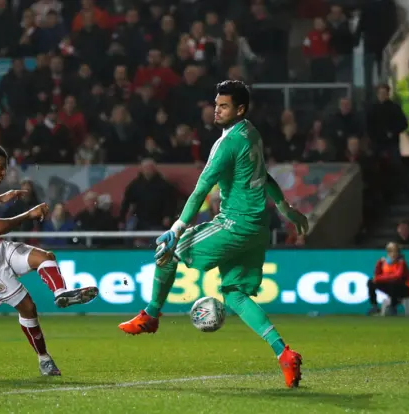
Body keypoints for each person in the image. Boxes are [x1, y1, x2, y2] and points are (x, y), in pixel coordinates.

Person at [118, 81, 309, 389]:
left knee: (167, 252)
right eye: (216, 103)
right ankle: (283, 353)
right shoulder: (252, 133)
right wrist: (285, 208)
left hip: (234, 224)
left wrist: (176, 228)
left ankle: (150, 315)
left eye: (223, 106)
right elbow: (264, 175)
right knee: (234, 293)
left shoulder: (227, 144)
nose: (216, 109)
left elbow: (200, 190)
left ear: (240, 109)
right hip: (257, 228)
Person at [0, 143, 99, 376]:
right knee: (28, 307)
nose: (3, 173)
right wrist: (28, 214)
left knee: (45, 257)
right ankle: (44, 359)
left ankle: (61, 294)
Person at [367, 242, 409, 316]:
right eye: (390, 251)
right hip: (390, 287)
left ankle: (393, 306)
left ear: (398, 253)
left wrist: (378, 278)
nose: (393, 254)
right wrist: (379, 263)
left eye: (395, 251)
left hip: (405, 289)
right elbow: (376, 275)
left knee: (394, 282)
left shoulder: (401, 263)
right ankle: (374, 306)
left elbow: (397, 276)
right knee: (371, 282)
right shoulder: (384, 263)